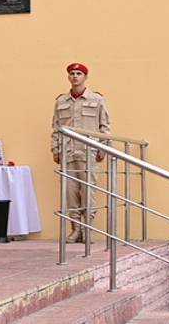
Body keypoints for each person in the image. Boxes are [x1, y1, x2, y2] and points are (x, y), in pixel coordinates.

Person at [50, 62, 111, 243]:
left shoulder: (97, 99)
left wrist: (103, 146)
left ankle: (88, 229)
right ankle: (75, 229)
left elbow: (105, 126)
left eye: (79, 73)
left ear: (85, 77)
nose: (75, 76)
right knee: (70, 193)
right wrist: (55, 148)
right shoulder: (61, 101)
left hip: (88, 152)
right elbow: (56, 128)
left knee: (88, 191)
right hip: (68, 152)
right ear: (68, 77)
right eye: (72, 73)